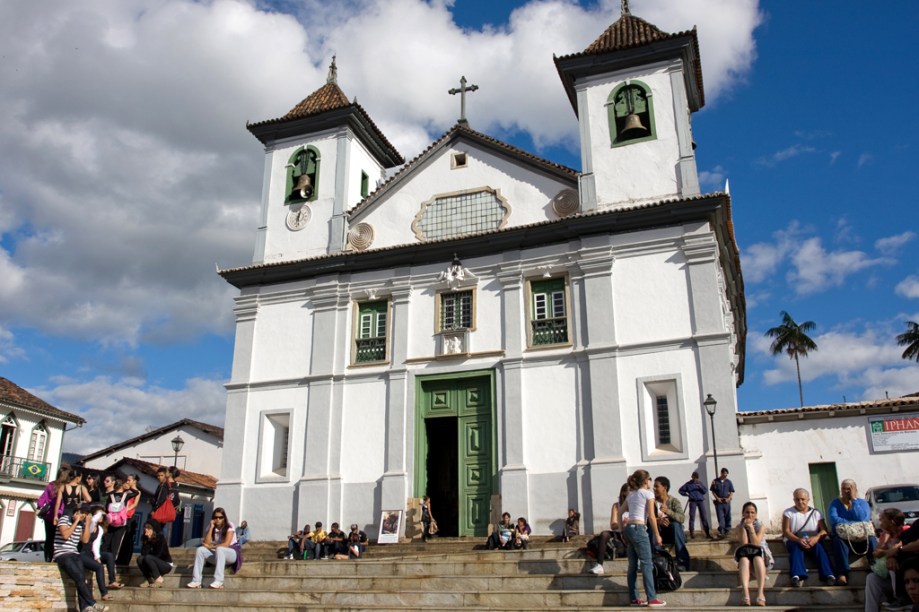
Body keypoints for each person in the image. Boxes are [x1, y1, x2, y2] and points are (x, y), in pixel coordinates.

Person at [622, 469, 666, 608]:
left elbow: (621, 510)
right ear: (646, 480)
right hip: (640, 529)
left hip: (629, 528)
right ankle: (652, 598)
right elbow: (651, 517)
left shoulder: (631, 494)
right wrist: (658, 535)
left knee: (632, 566)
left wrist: (622, 529)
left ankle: (634, 598)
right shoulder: (648, 493)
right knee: (647, 563)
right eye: (649, 480)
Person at [54, 504, 108, 612]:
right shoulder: (64, 519)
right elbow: (65, 535)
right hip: (63, 554)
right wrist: (75, 522)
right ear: (77, 512)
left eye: (86, 515)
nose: (83, 517)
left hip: (75, 554)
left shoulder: (81, 524)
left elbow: (85, 540)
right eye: (82, 514)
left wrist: (87, 523)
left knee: (82, 579)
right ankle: (92, 603)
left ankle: (85, 607)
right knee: (79, 577)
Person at [865, 509, 919, 612]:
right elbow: (876, 553)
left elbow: (900, 546)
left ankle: (900, 599)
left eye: (882, 520)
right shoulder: (887, 535)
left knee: (893, 564)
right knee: (871, 578)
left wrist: (895, 552)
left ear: (891, 522)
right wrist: (890, 554)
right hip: (893, 578)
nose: (880, 523)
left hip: (907, 573)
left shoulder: (906, 528)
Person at [826, 478, 876, 586]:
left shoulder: (862, 503)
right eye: (844, 489)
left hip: (861, 537)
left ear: (855, 490)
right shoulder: (835, 503)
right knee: (837, 540)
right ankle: (842, 573)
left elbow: (863, 518)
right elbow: (833, 519)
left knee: (872, 538)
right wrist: (852, 523)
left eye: (849, 489)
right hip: (845, 537)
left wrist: (854, 500)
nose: (846, 491)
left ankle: (875, 566)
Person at [782, 488, 835, 587]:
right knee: (796, 548)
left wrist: (815, 538)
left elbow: (824, 530)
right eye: (797, 499)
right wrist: (798, 540)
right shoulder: (788, 513)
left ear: (808, 500)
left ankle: (828, 574)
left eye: (802, 499)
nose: (800, 502)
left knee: (820, 548)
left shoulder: (816, 512)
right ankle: (796, 575)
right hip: (795, 539)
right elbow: (786, 531)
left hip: (813, 539)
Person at [187, 507, 241, 589]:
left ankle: (219, 581)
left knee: (220, 549)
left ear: (224, 518)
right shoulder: (211, 526)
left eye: (220, 517)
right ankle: (196, 581)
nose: (218, 519)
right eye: (216, 517)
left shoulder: (230, 525)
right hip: (218, 554)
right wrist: (211, 527)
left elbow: (226, 544)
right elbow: (206, 543)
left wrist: (211, 547)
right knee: (200, 550)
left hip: (232, 553)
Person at [734, 501, 771, 607]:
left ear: (756, 514)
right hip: (747, 556)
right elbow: (744, 544)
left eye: (752, 512)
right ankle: (745, 593)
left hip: (762, 557)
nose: (750, 515)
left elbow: (756, 543)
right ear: (743, 513)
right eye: (747, 512)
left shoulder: (761, 526)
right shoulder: (739, 527)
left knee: (757, 559)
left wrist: (751, 528)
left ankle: (760, 593)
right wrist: (744, 528)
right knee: (744, 560)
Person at [588, 482, 630, 575]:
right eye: (629, 491)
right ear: (623, 493)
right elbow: (613, 525)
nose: (631, 493)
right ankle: (599, 565)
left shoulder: (635, 505)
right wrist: (622, 523)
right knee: (604, 534)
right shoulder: (616, 506)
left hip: (630, 534)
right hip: (619, 533)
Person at [654, 476, 691, 571]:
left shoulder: (674, 501)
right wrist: (658, 521)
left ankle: (683, 562)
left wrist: (668, 511)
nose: (654, 489)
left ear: (664, 488)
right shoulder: (652, 502)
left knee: (676, 525)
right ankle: (657, 560)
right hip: (659, 533)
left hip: (673, 532)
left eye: (656, 486)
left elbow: (681, 518)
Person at [39, 465, 72, 562]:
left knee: (49, 538)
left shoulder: (51, 485)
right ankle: (58, 557)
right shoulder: (67, 487)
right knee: (59, 539)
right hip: (62, 515)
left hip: (49, 516)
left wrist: (39, 506)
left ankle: (48, 558)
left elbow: (43, 498)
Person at [137, 519, 174, 587]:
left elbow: (157, 555)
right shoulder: (145, 539)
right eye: (145, 528)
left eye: (148, 528)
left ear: (153, 529)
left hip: (165, 564)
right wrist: (148, 541)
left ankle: (159, 579)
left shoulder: (160, 539)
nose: (146, 530)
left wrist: (152, 542)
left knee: (148, 558)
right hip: (152, 562)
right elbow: (143, 554)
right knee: (140, 559)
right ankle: (150, 580)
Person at [678, 471, 712, 539]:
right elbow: (680, 490)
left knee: (704, 517)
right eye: (694, 477)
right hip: (693, 501)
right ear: (692, 477)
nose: (695, 479)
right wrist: (686, 494)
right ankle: (691, 533)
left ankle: (707, 533)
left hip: (700, 501)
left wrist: (700, 487)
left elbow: (705, 491)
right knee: (692, 517)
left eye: (696, 478)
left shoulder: (700, 483)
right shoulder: (688, 484)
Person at [710, 468, 735, 537]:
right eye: (724, 473)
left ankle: (727, 530)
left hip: (726, 501)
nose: (725, 475)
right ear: (721, 473)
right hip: (719, 502)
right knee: (720, 516)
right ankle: (722, 530)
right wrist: (717, 498)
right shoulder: (715, 481)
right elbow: (713, 491)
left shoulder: (728, 482)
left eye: (726, 473)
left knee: (727, 515)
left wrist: (729, 498)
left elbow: (731, 491)